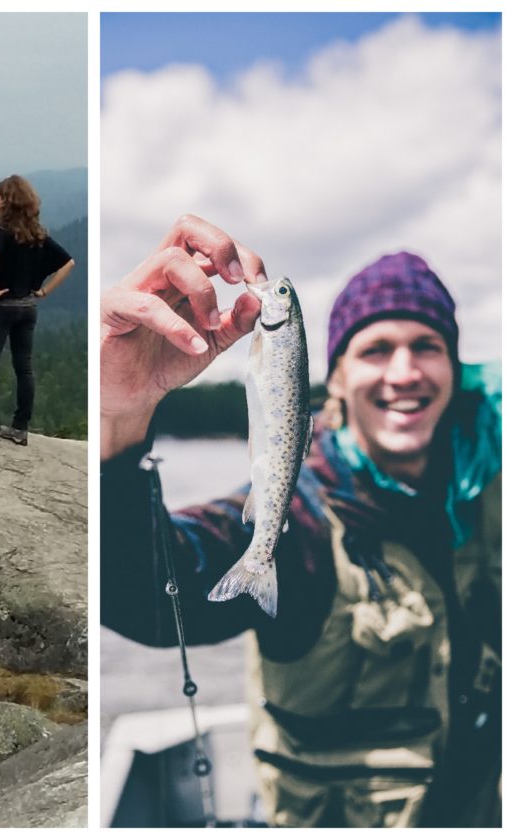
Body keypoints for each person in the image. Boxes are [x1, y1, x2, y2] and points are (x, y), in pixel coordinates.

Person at [100, 215, 501, 828]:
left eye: (426, 346)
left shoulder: (489, 494)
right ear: (336, 376)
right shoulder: (305, 519)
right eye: (375, 350)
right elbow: (147, 594)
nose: (404, 372)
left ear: (454, 366)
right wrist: (119, 425)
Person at [0, 175, 75, 447]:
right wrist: (45, 291)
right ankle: (19, 428)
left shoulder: (0, 230)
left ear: (8, 200)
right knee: (24, 369)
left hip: (2, 308)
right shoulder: (37, 232)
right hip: (28, 307)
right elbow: (68, 262)